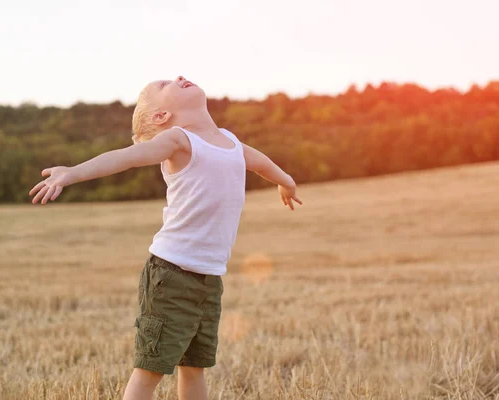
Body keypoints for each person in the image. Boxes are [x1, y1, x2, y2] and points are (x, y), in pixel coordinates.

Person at [28, 75, 302, 400]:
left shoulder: (229, 142)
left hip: (209, 278)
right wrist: (72, 173)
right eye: (165, 84)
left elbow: (260, 164)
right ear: (161, 117)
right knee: (150, 370)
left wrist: (286, 181)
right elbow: (124, 158)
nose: (180, 77)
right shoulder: (178, 140)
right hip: (171, 277)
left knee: (194, 366)